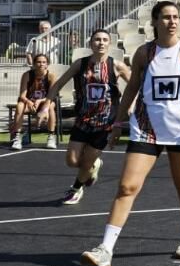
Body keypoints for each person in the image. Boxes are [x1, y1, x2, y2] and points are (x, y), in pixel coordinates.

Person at [80, 0, 180, 266]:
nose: (172, 22)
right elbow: (131, 89)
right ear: (155, 21)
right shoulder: (144, 53)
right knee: (126, 187)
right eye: (166, 17)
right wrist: (118, 123)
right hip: (146, 128)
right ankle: (105, 249)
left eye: (176, 17)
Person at [50, 29, 131, 205]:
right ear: (90, 44)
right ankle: (94, 166)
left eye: (104, 40)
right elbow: (58, 84)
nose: (100, 43)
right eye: (97, 40)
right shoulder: (80, 64)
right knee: (72, 161)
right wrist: (46, 104)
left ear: (109, 44)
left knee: (86, 163)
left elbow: (134, 86)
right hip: (83, 120)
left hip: (105, 122)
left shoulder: (116, 66)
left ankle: (76, 189)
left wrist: (130, 106)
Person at [11, 53, 56, 151]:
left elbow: (51, 95)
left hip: (45, 102)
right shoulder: (27, 75)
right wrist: (29, 102)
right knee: (19, 106)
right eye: (39, 62)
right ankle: (17, 137)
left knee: (51, 106)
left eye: (44, 62)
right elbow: (22, 95)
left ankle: (51, 136)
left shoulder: (51, 76)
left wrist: (40, 101)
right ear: (34, 64)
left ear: (47, 64)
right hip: (29, 103)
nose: (41, 64)